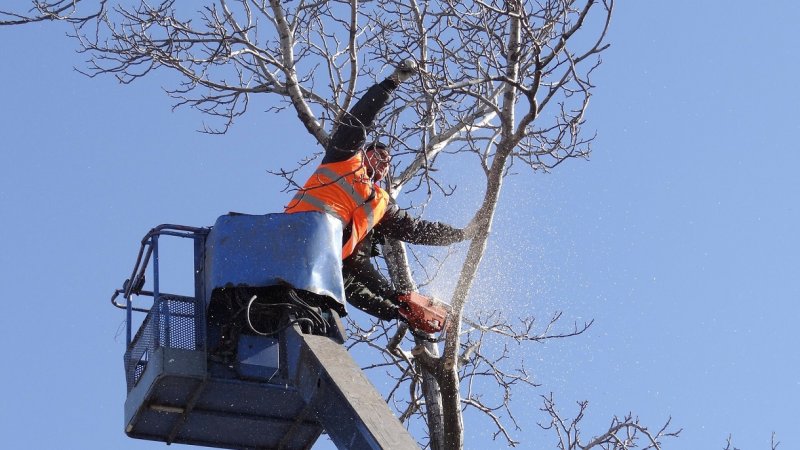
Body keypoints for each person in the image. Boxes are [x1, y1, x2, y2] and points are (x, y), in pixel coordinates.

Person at [285, 60, 478, 322]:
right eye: (379, 154)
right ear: (364, 153)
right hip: (293, 236)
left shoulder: (377, 206)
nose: (385, 162)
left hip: (315, 266)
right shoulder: (343, 159)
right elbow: (358, 120)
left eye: (389, 161)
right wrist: (390, 84)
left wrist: (397, 307)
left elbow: (413, 231)